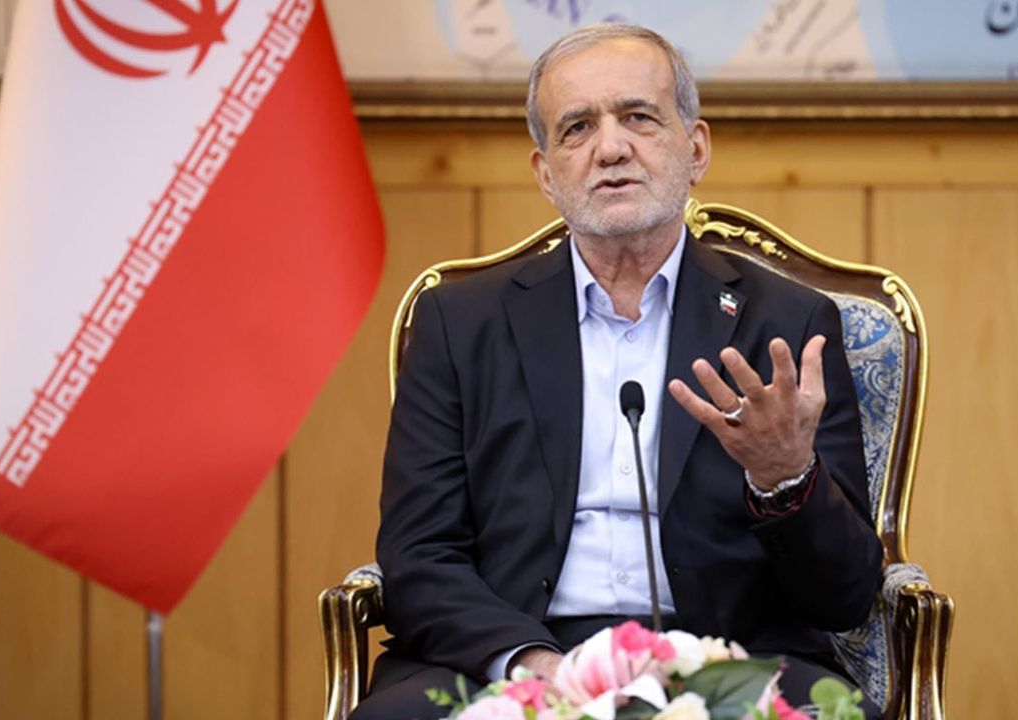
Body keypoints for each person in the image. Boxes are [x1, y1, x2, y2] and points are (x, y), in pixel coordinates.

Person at [353, 23, 883, 720]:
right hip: (515, 651)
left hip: (727, 656)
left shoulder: (787, 325)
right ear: (547, 174)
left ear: (695, 149)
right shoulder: (460, 324)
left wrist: (785, 479)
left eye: (638, 117)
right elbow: (420, 555)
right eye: (577, 128)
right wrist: (536, 666)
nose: (610, 148)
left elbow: (845, 597)